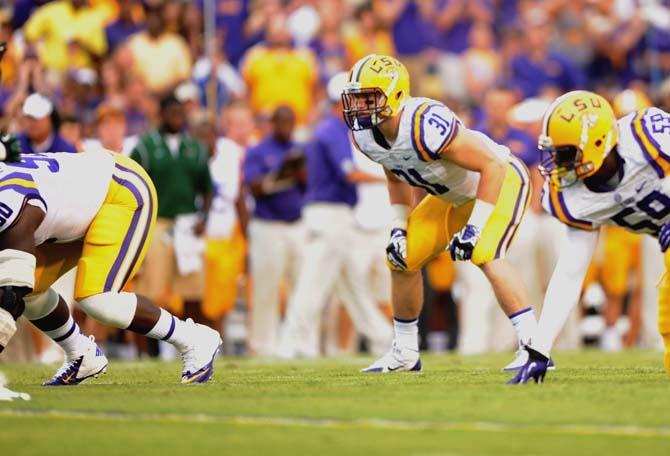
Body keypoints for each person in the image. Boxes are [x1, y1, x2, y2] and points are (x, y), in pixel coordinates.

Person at [342, 54, 536, 373]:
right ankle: (405, 352)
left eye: (368, 97)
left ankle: (534, 346)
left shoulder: (424, 123)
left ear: (396, 95)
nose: (360, 106)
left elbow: (492, 165)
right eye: (356, 98)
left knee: (486, 253)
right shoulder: (365, 136)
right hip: (449, 195)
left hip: (499, 181)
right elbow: (395, 173)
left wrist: (474, 228)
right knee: (401, 258)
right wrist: (397, 227)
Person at [0, 135, 221, 385]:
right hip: (73, 207)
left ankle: (194, 339)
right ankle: (81, 354)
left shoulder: (9, 202)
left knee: (99, 299)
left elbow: (11, 294)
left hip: (118, 191)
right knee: (33, 291)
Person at [510, 91, 670, 384]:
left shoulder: (648, 136)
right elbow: (570, 273)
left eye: (566, 153)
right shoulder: (573, 197)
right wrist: (540, 350)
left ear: (598, 142)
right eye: (554, 153)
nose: (557, 163)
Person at [277, 72, 392, 358]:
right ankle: (294, 343)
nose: (360, 107)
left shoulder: (331, 129)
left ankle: (384, 339)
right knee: (313, 283)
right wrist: (391, 179)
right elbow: (349, 173)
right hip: (329, 214)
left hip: (336, 215)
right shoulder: (333, 130)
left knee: (352, 285)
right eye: (355, 100)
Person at [130, 95, 213, 329]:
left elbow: (207, 189)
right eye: (172, 113)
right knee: (151, 287)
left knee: (192, 288)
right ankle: (147, 347)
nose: (177, 118)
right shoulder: (146, 146)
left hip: (187, 224)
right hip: (157, 222)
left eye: (180, 113)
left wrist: (203, 218)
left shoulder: (195, 148)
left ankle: (194, 341)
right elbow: (132, 184)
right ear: (162, 114)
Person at [243, 105, 305, 356]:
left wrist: (300, 174)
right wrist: (281, 175)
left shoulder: (300, 150)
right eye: (282, 122)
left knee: (301, 286)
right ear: (272, 123)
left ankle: (298, 342)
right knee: (266, 287)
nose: (286, 127)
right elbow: (253, 186)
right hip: (268, 226)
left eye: (290, 122)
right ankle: (262, 345)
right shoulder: (259, 150)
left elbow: (310, 184)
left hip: (297, 224)